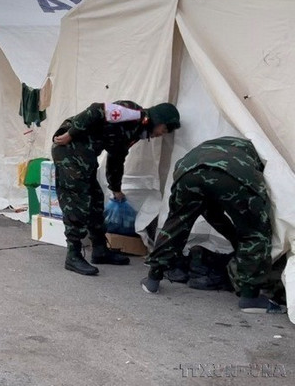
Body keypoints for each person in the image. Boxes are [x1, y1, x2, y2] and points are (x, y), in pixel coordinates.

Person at [140, 137, 284, 313]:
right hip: (235, 174)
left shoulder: (212, 145)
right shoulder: (258, 153)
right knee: (254, 233)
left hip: (188, 171)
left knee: (176, 224)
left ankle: (152, 279)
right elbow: (242, 219)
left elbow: (211, 213)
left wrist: (233, 238)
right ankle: (250, 297)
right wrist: (240, 241)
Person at [52, 100, 181, 276]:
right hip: (69, 148)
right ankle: (73, 255)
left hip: (85, 156)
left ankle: (100, 249)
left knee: (96, 200)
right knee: (78, 202)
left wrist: (115, 188)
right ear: (158, 120)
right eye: (164, 129)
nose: (161, 134)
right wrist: (71, 134)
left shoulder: (136, 131)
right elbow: (97, 109)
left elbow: (116, 158)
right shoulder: (133, 114)